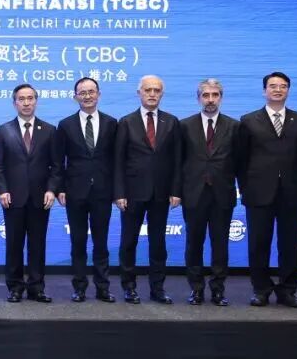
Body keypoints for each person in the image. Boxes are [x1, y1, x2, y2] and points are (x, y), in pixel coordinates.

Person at [236, 72, 297, 308]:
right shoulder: (248, 120)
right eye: (273, 86)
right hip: (258, 192)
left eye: (283, 86)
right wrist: (245, 188)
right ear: (264, 90)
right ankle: (261, 289)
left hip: (292, 192)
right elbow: (241, 160)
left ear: (288, 90)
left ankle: (288, 290)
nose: (278, 90)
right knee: (258, 244)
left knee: (291, 245)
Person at [113, 75, 182, 304]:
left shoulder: (171, 122)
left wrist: (176, 190)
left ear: (162, 94)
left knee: (158, 243)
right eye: (148, 90)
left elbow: (177, 160)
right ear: (139, 93)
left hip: (161, 192)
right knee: (129, 242)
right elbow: (118, 160)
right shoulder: (126, 122)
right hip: (132, 193)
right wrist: (119, 192)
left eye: (156, 90)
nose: (152, 94)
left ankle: (157, 289)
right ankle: (129, 287)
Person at [54, 77, 117, 303]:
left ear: (99, 94)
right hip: (75, 192)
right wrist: (60, 188)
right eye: (82, 93)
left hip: (103, 191)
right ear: (75, 97)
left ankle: (103, 288)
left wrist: (117, 191)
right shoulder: (65, 125)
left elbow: (117, 160)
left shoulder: (111, 123)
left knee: (101, 243)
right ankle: (79, 287)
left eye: (91, 91)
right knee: (78, 242)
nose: (87, 96)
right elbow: (58, 161)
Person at [0, 84, 57, 303]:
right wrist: (2, 190)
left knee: (38, 245)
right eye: (22, 99)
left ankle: (37, 288)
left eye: (30, 98)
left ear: (36, 101)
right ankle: (15, 287)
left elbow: (56, 165)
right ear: (14, 103)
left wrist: (51, 189)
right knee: (14, 244)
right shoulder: (3, 130)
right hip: (13, 197)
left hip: (41, 198)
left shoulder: (49, 130)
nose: (26, 103)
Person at [179, 79, 239, 306]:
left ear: (221, 98)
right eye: (206, 95)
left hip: (223, 194)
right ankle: (196, 289)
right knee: (193, 243)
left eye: (215, 95)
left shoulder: (234, 126)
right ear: (198, 99)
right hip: (193, 194)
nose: (210, 100)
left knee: (220, 244)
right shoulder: (185, 125)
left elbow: (240, 161)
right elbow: (178, 161)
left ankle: (218, 290)